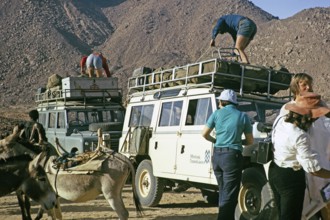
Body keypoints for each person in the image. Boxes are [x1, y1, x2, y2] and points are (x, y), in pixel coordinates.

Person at [269, 92, 330, 220]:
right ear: (309, 116)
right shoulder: (299, 135)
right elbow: (314, 169)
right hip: (290, 176)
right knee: (291, 216)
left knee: (284, 214)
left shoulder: (282, 121)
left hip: (276, 170)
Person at [202, 89, 254, 220]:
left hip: (217, 156)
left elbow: (204, 134)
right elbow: (250, 141)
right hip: (232, 157)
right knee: (229, 194)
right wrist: (238, 141)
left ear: (222, 101)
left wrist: (216, 141)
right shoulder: (243, 116)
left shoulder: (216, 114)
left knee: (224, 192)